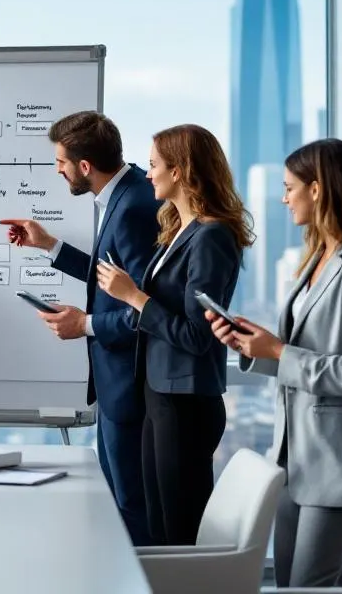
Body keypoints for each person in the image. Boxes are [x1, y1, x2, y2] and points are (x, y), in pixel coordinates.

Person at [207, 138, 342, 588]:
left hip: (338, 456)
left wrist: (278, 352)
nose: (283, 198)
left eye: (289, 187)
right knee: (304, 580)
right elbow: (300, 350)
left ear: (317, 189)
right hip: (295, 455)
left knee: (308, 584)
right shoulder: (318, 258)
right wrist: (252, 346)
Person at [0, 111, 160, 546]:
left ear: (84, 166)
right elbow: (110, 279)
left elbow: (144, 309)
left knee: (130, 507)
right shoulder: (125, 194)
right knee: (121, 503)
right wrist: (49, 246)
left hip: (129, 386)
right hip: (116, 386)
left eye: (60, 162)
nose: (57, 170)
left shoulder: (133, 208)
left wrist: (85, 324)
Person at [94, 123, 252, 546]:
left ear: (179, 171)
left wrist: (134, 297)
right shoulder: (178, 231)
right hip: (160, 396)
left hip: (185, 403)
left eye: (154, 166)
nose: (148, 175)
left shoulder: (211, 236)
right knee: (160, 528)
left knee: (180, 532)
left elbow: (197, 335)